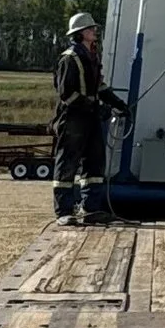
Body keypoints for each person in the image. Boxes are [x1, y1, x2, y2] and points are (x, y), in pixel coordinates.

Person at [51, 12, 124, 224]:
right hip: (73, 118)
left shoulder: (91, 56)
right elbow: (68, 94)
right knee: (68, 162)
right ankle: (63, 212)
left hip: (90, 118)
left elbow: (98, 86)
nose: (94, 32)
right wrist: (95, 106)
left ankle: (90, 208)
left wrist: (116, 103)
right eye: (91, 29)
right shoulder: (70, 58)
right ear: (81, 33)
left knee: (95, 161)